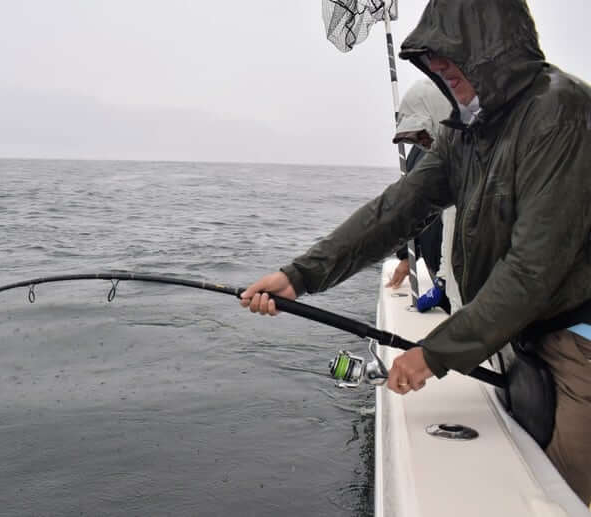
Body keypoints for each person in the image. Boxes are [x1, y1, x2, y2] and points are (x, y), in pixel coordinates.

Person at [240, 0, 591, 503]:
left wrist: (435, 353)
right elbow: (395, 211)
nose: (440, 64)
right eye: (433, 55)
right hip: (517, 332)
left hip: (578, 340)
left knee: (562, 490)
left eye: (453, 51)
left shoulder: (560, 110)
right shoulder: (465, 130)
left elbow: (533, 270)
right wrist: (299, 275)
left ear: (493, 46)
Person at [383, 79, 454, 314]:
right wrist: (407, 256)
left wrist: (446, 282)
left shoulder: (474, 161)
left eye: (423, 134)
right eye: (416, 138)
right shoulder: (423, 153)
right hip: (443, 277)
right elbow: (413, 208)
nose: (422, 143)